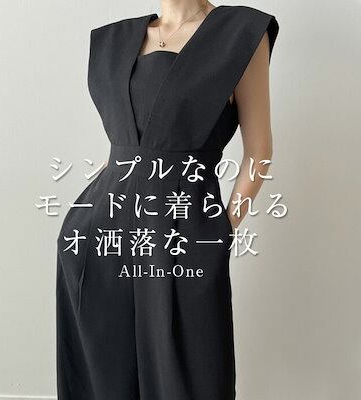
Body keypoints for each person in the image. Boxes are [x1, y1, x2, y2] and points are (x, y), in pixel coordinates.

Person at [56, 1, 279, 399]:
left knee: (188, 373)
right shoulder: (116, 38)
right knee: (104, 374)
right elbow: (121, 149)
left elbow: (259, 152)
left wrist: (222, 229)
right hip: (101, 232)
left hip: (183, 229)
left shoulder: (239, 33)